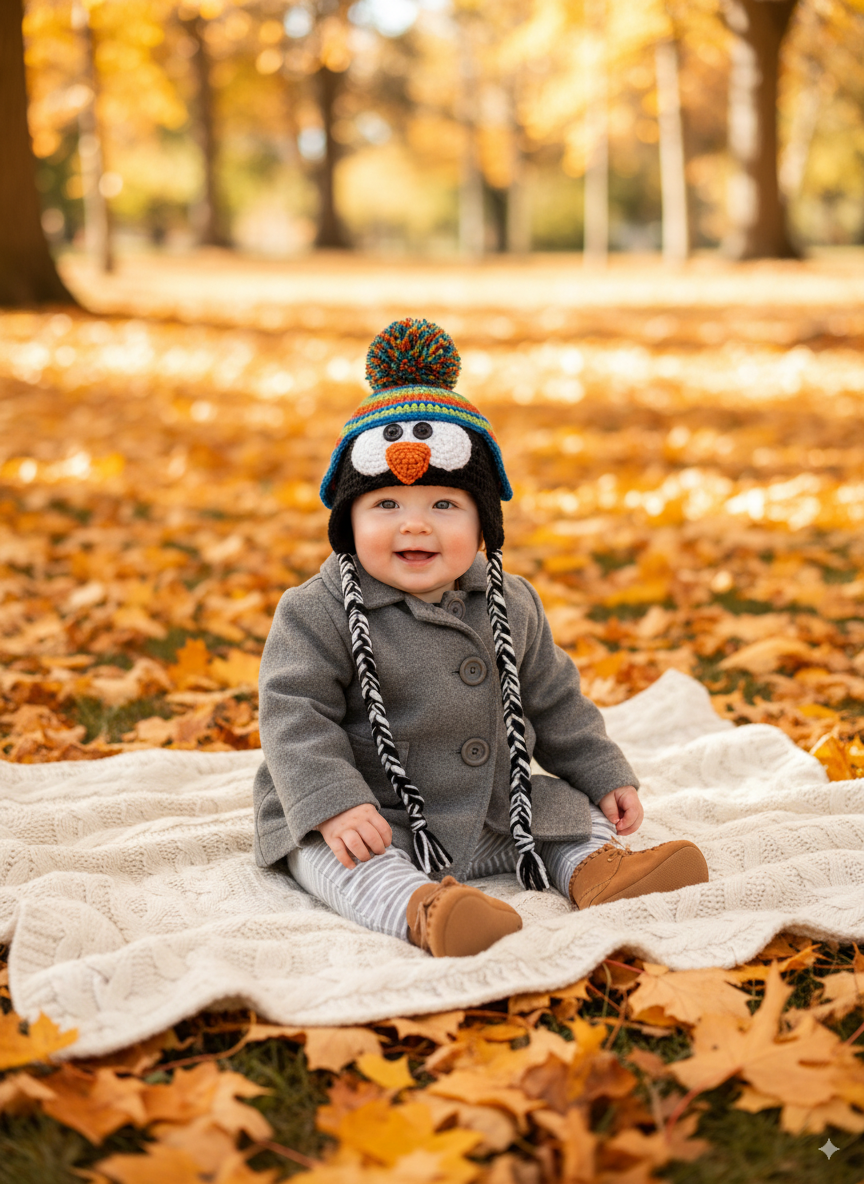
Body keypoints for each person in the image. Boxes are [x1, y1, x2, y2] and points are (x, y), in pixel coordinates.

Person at [253, 319, 708, 958]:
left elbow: (553, 699)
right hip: (377, 809)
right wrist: (331, 802)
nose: (416, 525)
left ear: (483, 524)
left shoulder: (509, 602)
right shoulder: (317, 609)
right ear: (348, 521)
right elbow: (293, 715)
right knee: (343, 860)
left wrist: (601, 772)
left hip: (494, 804)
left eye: (445, 506)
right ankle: (422, 909)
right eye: (386, 506)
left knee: (565, 819)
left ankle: (597, 871)